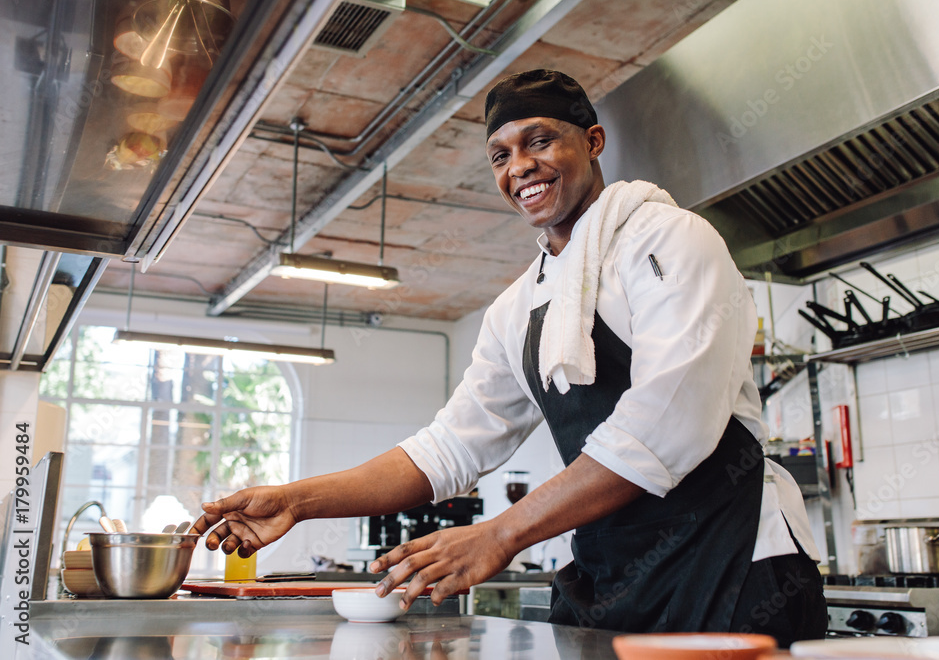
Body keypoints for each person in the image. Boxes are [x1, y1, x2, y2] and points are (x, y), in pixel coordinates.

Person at [193, 69, 827, 646]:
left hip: (733, 559)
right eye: (501, 155)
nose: (520, 166)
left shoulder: (667, 238)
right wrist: (299, 502)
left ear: (594, 142)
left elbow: (669, 423)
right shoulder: (516, 309)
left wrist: (500, 534)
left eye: (540, 141)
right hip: (617, 572)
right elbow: (449, 449)